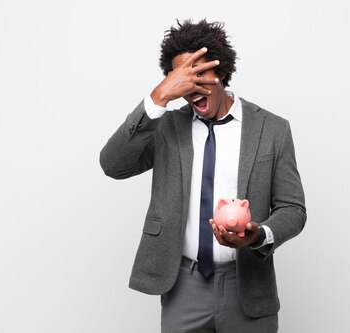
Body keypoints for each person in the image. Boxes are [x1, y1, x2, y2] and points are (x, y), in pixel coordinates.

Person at [100, 18, 306, 333]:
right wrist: (158, 97)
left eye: (199, 75)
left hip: (247, 285)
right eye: (182, 79)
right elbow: (113, 164)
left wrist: (259, 235)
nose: (192, 88)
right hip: (184, 286)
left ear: (221, 72)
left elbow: (293, 209)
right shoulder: (166, 127)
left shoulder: (273, 130)